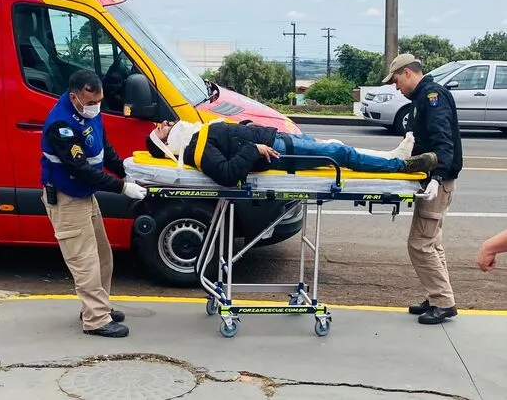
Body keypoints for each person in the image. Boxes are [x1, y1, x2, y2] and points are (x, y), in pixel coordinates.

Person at [40, 69, 147, 339]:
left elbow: (103, 148)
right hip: (68, 198)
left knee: (102, 256)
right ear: (75, 97)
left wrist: (124, 171)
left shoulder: (90, 113)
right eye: (90, 103)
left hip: (85, 195)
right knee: (84, 261)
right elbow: (81, 170)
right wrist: (123, 188)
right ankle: (96, 320)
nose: (95, 107)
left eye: (99, 101)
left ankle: (98, 307)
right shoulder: (60, 125)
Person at [383, 53, 463, 325]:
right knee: (432, 242)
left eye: (396, 81)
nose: (396, 87)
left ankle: (443, 302)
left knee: (420, 244)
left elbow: (443, 141)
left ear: (407, 72)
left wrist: (437, 177)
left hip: (437, 181)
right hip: (433, 179)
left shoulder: (432, 97)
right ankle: (436, 296)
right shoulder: (421, 98)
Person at [144, 118, 437, 188]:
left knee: (336, 147)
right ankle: (400, 165)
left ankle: (390, 157)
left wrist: (246, 130)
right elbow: (227, 174)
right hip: (276, 150)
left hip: (275, 139)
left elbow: (228, 142)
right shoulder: (195, 149)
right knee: (339, 153)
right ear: (164, 146)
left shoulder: (195, 136)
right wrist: (253, 147)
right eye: (160, 130)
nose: (165, 124)